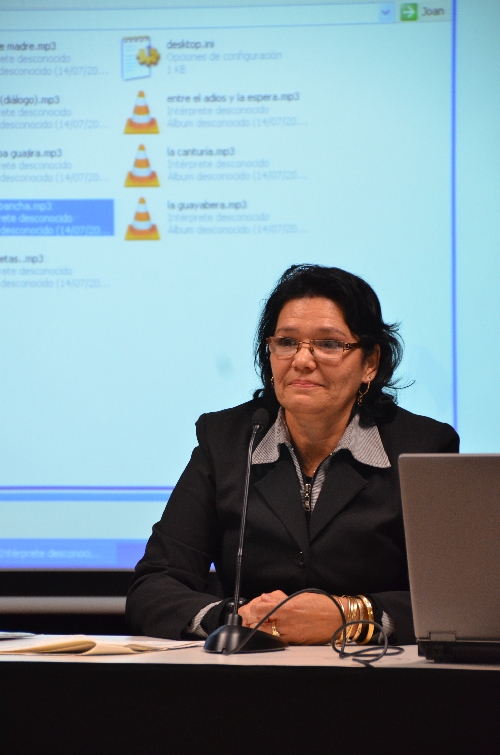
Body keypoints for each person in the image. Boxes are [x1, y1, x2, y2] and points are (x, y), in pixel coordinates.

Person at [126, 264, 459, 645]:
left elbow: (456, 600)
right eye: (286, 342)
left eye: (329, 344)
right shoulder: (226, 441)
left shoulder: (422, 447)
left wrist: (351, 616)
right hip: (251, 671)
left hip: (374, 673)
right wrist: (239, 617)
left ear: (370, 363)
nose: (302, 360)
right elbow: (153, 588)